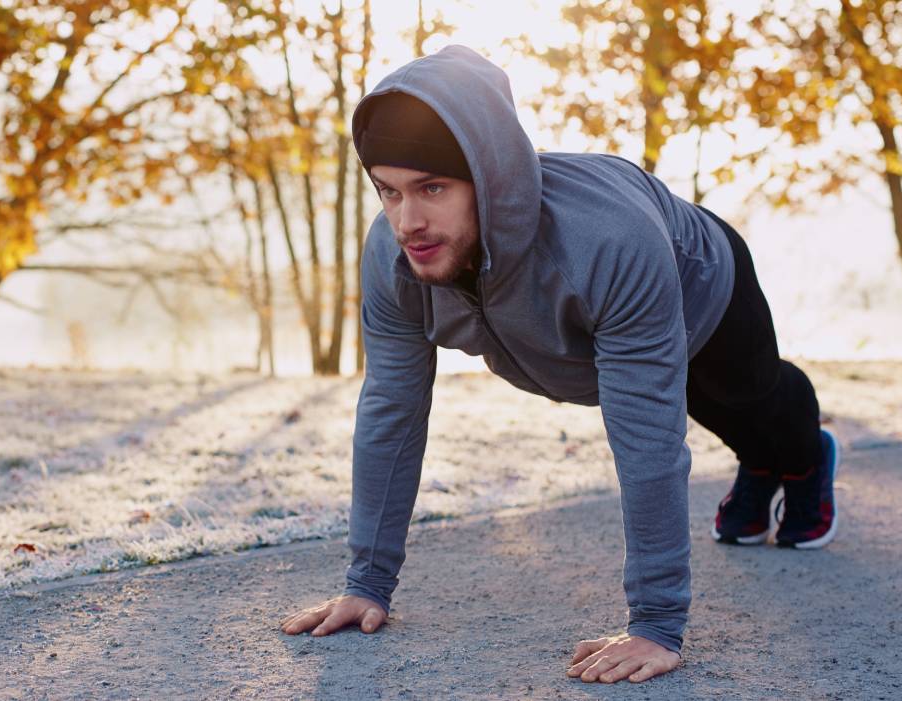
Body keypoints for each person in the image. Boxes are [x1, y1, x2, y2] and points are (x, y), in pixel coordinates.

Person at [279, 44, 840, 685]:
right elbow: (391, 413)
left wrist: (656, 624)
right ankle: (760, 465)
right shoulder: (395, 261)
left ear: (486, 178)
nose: (409, 221)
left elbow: (647, 437)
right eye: (390, 192)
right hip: (600, 333)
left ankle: (801, 457)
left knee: (740, 393)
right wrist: (367, 584)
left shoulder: (606, 243)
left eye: (432, 188)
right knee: (699, 399)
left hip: (702, 281)